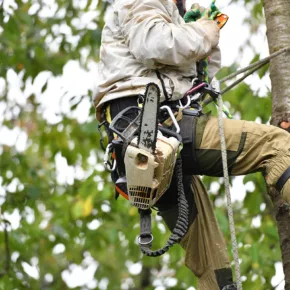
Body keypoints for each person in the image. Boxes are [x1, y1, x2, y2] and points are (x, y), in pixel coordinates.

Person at [94, 0, 290, 289]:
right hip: (153, 126)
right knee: (276, 146)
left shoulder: (170, 11)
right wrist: (201, 31)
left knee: (213, 266)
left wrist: (199, 31)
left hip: (150, 150)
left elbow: (197, 69)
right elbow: (154, 44)